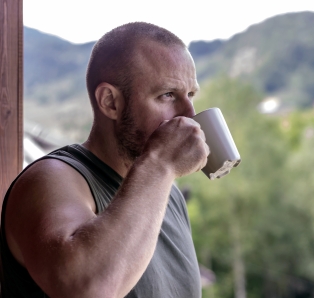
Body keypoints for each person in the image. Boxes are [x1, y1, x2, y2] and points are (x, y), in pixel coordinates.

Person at [0, 22, 209, 297]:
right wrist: (161, 164)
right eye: (167, 95)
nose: (189, 114)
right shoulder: (50, 178)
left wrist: (162, 172)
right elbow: (85, 288)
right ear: (110, 102)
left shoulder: (167, 193)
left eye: (190, 95)